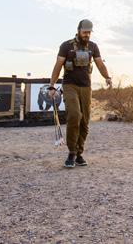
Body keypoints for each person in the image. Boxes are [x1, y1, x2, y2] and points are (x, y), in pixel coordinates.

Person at [47, 19, 112, 168]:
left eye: (89, 32)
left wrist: (107, 77)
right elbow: (58, 65)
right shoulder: (66, 46)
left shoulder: (93, 46)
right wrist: (52, 86)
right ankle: (71, 152)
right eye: (84, 32)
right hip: (70, 85)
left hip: (86, 87)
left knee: (85, 121)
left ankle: (79, 153)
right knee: (75, 115)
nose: (87, 35)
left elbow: (100, 64)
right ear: (78, 30)